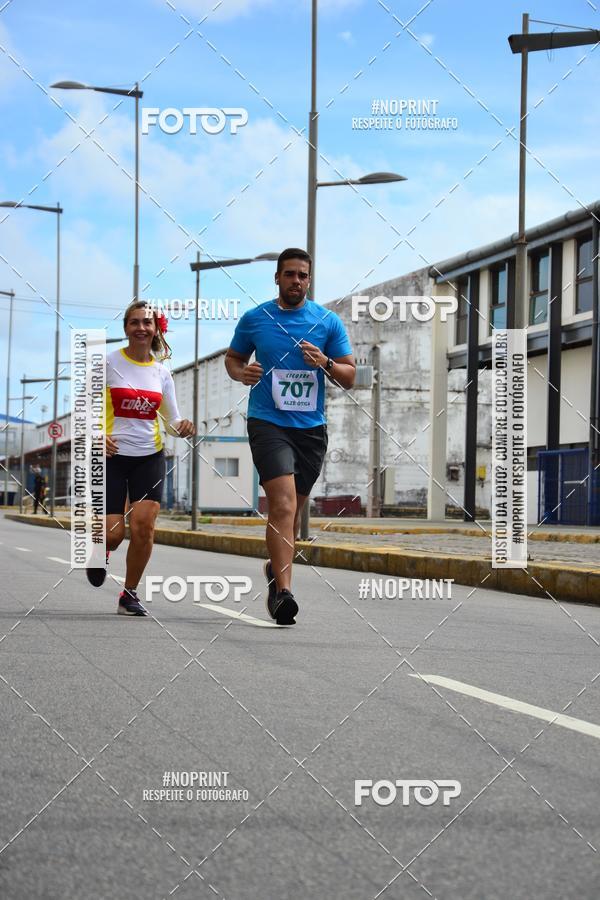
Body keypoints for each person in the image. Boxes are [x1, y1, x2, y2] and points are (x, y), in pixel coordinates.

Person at [225, 248, 355, 625]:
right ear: (277, 278)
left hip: (310, 429)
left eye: (302, 275)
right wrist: (241, 373)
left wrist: (326, 362)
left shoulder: (327, 322)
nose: (296, 281)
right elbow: (233, 359)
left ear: (309, 280)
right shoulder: (255, 319)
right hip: (267, 422)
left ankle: (275, 568)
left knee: (294, 512)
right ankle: (283, 594)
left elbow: (350, 376)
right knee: (281, 506)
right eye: (289, 274)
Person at [86, 301, 195, 616]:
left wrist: (183, 427)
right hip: (113, 457)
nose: (141, 328)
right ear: (126, 328)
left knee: (144, 526)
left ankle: (129, 594)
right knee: (113, 534)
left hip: (150, 456)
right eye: (134, 322)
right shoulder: (107, 363)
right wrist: (96, 435)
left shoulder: (161, 373)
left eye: (147, 323)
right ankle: (98, 551)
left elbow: (171, 421)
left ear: (156, 329)